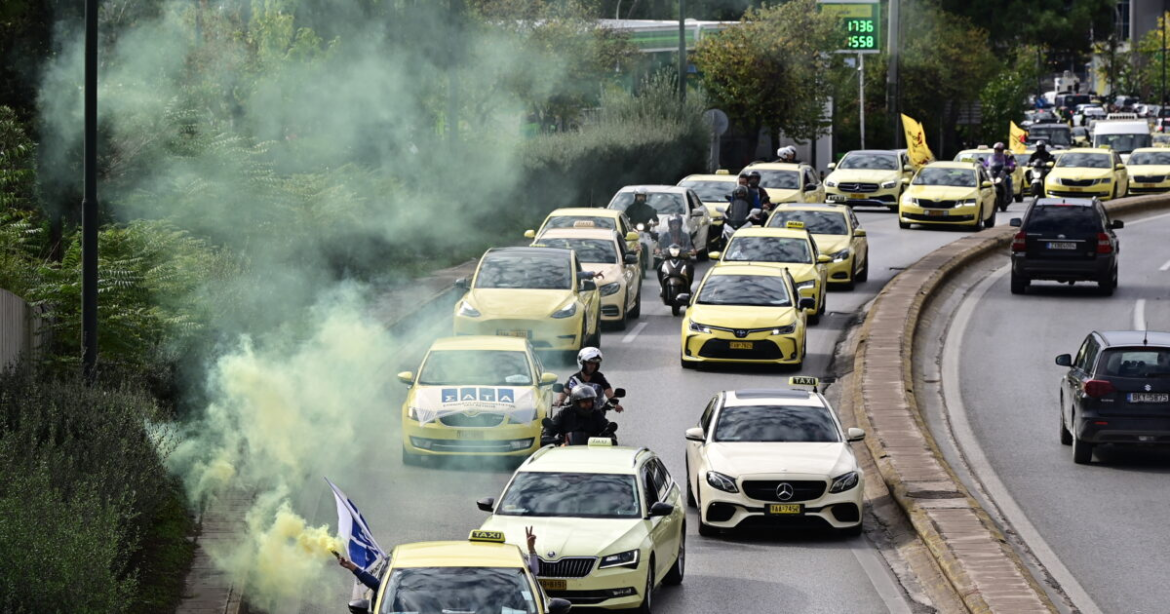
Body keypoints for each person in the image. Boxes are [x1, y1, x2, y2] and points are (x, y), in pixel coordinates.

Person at [555, 347, 623, 413]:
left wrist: (615, 404)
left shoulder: (599, 378)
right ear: (582, 363)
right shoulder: (575, 379)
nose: (592, 366)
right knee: (559, 420)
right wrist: (560, 400)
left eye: (594, 364)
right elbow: (565, 391)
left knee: (608, 424)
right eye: (589, 363)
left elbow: (608, 392)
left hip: (596, 413)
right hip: (575, 413)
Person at [544, 386, 613, 442]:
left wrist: (609, 435)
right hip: (565, 448)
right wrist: (547, 436)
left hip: (592, 449)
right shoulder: (565, 412)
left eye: (589, 401)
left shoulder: (596, 413)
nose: (587, 404)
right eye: (584, 401)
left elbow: (605, 427)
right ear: (576, 402)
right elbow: (552, 427)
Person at [655, 216, 695, 290]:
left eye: (676, 223)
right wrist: (658, 250)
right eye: (673, 223)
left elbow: (690, 246)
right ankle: (662, 287)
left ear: (680, 224)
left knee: (690, 267)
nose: (675, 225)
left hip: (683, 258)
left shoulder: (685, 236)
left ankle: (688, 286)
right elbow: (659, 246)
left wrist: (692, 251)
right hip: (668, 258)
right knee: (659, 267)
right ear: (670, 225)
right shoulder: (665, 235)